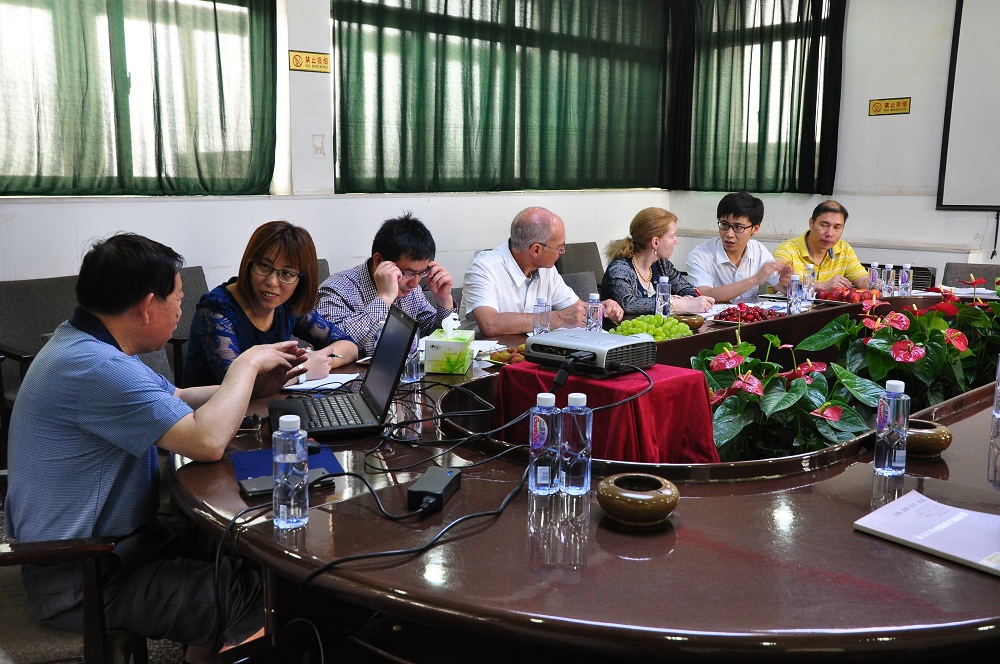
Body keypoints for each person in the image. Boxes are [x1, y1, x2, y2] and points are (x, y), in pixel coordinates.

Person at [3, 233, 306, 660]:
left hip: (120, 545)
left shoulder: (86, 343)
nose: (181, 310)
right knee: (251, 593)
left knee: (240, 547)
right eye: (177, 300)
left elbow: (177, 398)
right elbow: (206, 441)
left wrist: (253, 386)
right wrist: (247, 363)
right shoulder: (96, 367)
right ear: (148, 305)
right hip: (83, 575)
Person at [185, 220, 357, 389]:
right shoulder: (216, 309)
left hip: (271, 402)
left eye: (287, 273)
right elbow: (234, 384)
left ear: (301, 280)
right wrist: (302, 371)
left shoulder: (288, 304)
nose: (272, 282)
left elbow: (349, 346)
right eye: (264, 266)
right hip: (211, 406)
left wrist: (320, 360)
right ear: (249, 264)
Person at [460, 207, 624, 337]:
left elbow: (575, 309)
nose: (563, 252)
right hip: (487, 360)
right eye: (560, 247)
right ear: (536, 250)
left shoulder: (547, 270)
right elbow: (490, 324)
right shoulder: (484, 267)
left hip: (530, 353)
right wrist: (558, 318)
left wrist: (599, 308)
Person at [315, 212, 457, 356]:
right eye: (407, 273)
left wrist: (444, 301)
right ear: (378, 261)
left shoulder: (411, 291)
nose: (415, 284)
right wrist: (384, 299)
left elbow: (433, 336)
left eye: (421, 273)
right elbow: (333, 348)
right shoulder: (336, 290)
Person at [600, 207, 716, 315]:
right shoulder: (620, 269)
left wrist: (687, 300)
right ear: (655, 242)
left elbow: (689, 290)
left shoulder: (662, 264)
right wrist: (677, 304)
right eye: (672, 236)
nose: (676, 241)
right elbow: (628, 304)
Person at [685, 192, 792, 304]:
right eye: (724, 224)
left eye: (738, 227)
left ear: (755, 229)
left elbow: (782, 288)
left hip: (748, 315)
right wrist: (754, 280)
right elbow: (704, 295)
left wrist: (785, 284)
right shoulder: (700, 255)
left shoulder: (759, 251)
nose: (729, 234)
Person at [773, 200, 870, 291]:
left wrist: (876, 282)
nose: (830, 234)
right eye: (824, 225)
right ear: (811, 223)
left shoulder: (844, 249)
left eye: (837, 227)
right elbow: (778, 283)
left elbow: (862, 280)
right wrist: (822, 286)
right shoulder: (786, 250)